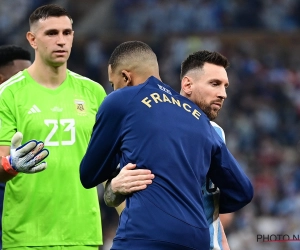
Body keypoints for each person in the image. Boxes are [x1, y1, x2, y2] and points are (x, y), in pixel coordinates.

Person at [80, 41, 253, 249]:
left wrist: (114, 182)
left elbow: (89, 175)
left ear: (125, 77)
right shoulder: (201, 120)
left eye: (112, 83)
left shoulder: (120, 100)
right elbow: (242, 192)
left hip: (145, 235)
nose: (113, 88)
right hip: (196, 239)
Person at [0, 4, 107, 250]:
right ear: (32, 39)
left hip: (83, 233)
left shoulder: (94, 93)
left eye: (66, 33)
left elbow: (109, 164)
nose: (61, 41)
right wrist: (11, 165)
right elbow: (1, 162)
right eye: (51, 33)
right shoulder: (8, 94)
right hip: (26, 235)